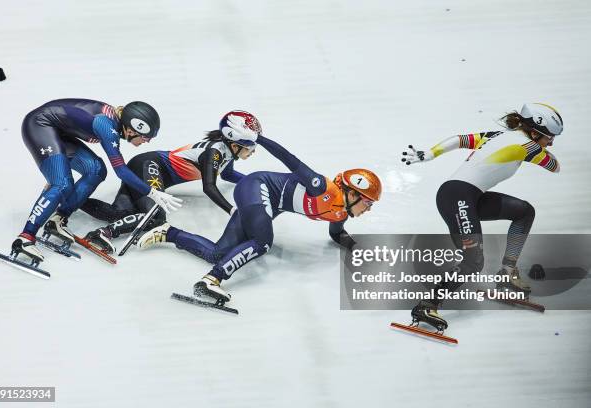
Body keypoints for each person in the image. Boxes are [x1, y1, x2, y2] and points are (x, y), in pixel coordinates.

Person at [136, 113, 382, 303]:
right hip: (256, 186)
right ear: (351, 193)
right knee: (263, 241)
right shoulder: (323, 188)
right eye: (367, 202)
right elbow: (289, 159)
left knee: (219, 253)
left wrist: (361, 250)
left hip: (264, 201)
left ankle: (169, 232)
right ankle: (212, 280)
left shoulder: (340, 211)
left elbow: (336, 234)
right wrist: (260, 139)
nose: (368, 209)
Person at [401, 103, 563, 330]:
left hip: (469, 196)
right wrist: (542, 151)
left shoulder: (497, 136)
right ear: (534, 132)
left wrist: (429, 154)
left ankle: (507, 272)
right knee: (473, 261)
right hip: (459, 197)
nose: (551, 142)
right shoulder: (528, 147)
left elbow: (460, 139)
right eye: (549, 137)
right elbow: (555, 166)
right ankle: (427, 305)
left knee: (524, 212)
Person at [13, 98, 182, 264]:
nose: (147, 141)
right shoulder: (107, 127)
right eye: (146, 137)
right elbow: (121, 170)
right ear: (131, 130)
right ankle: (25, 237)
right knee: (62, 184)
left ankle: (58, 219)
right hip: (39, 126)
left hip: (58, 132)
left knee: (96, 169)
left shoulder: (114, 123)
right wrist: (152, 192)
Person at [80, 110, 257, 253]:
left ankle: (68, 198)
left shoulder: (225, 150)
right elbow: (209, 187)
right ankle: (105, 233)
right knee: (156, 219)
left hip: (145, 165)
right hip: (150, 166)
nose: (253, 151)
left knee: (118, 213)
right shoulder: (214, 153)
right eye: (251, 147)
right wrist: (232, 210)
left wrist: (254, 181)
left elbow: (227, 175)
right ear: (235, 145)